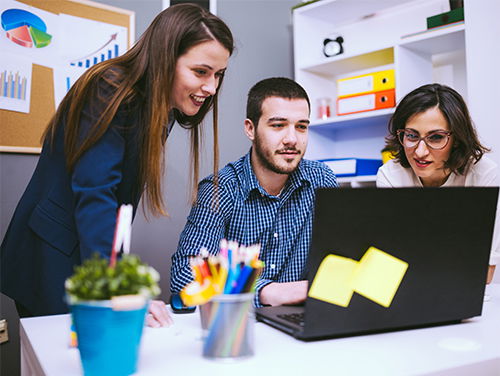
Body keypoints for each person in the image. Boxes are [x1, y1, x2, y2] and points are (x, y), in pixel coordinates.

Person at [0, 4, 234, 327]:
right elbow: (96, 196)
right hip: (50, 259)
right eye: (201, 72)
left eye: (218, 75)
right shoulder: (110, 88)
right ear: (166, 57)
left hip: (80, 254)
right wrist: (117, 291)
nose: (211, 88)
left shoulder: (159, 108)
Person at [170, 77, 338, 307]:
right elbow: (185, 276)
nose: (292, 139)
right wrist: (266, 291)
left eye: (301, 126)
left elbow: (339, 258)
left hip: (305, 321)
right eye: (278, 125)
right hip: (240, 326)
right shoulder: (221, 190)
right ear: (250, 129)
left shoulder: (322, 180)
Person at [376, 83, 499, 283]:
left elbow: (483, 273)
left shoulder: (483, 174)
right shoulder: (391, 176)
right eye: (411, 136)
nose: (420, 152)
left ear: (457, 139)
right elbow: (392, 264)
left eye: (436, 137)